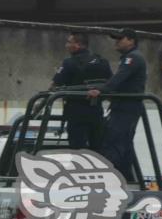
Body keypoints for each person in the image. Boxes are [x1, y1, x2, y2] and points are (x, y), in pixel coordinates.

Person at [86, 28, 146, 181]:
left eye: (121, 39)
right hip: (124, 107)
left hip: (126, 108)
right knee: (123, 144)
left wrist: (101, 91)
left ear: (131, 41)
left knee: (114, 143)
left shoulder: (132, 58)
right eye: (116, 39)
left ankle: (109, 180)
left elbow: (119, 78)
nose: (117, 42)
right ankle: (127, 179)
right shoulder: (128, 57)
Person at [50, 32, 112, 149]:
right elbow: (110, 83)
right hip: (96, 113)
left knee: (77, 151)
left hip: (76, 112)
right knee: (98, 150)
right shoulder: (102, 61)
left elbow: (54, 85)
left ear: (78, 45)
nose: (66, 45)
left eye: (69, 42)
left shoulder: (69, 62)